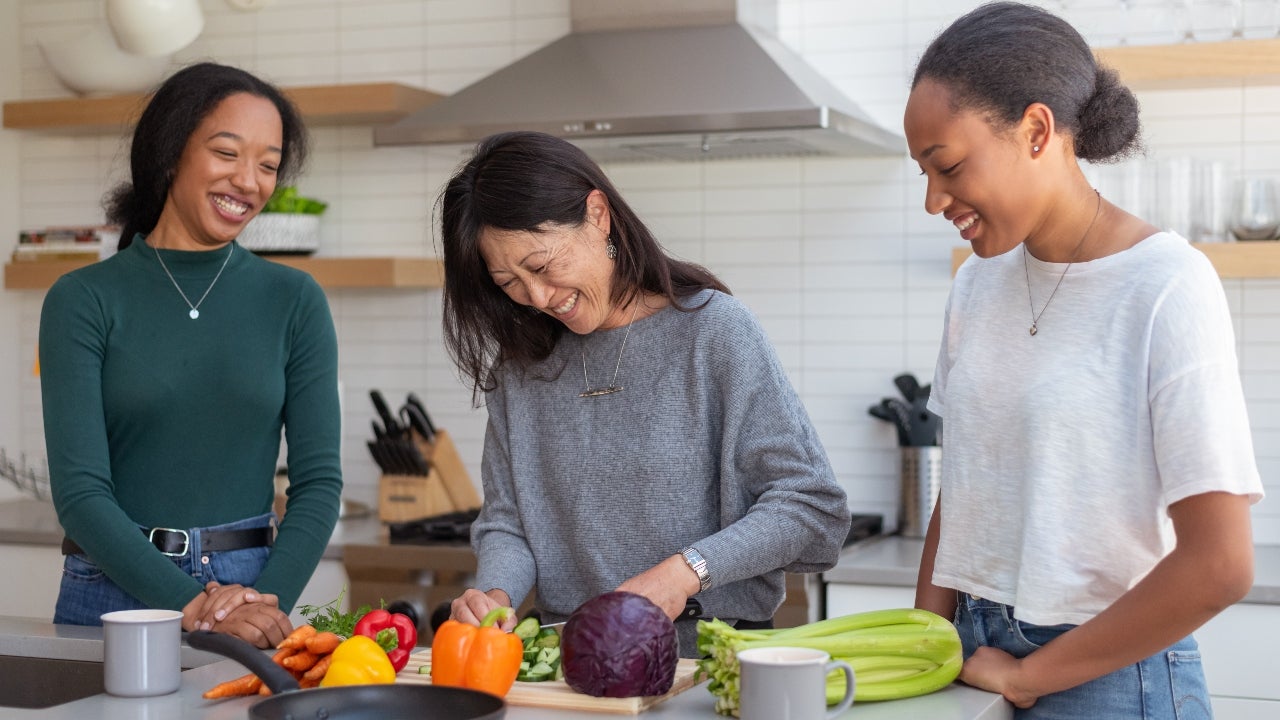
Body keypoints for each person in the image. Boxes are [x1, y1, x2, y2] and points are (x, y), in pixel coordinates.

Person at [904, 3, 1264, 717]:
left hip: (1110, 675)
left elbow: (1221, 564)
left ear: (1037, 131)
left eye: (946, 166)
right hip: (973, 655)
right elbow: (966, 486)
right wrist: (923, 642)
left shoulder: (1167, 284)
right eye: (922, 171)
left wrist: (1031, 678)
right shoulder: (977, 282)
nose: (932, 199)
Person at [438, 131, 851, 656]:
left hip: (707, 659)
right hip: (573, 663)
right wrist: (495, 592)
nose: (537, 297)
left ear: (597, 215)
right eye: (508, 282)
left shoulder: (714, 333)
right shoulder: (521, 367)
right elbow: (508, 522)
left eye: (542, 266)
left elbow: (811, 507)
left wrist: (685, 574)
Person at [39, 62, 342, 648]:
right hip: (111, 588)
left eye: (268, 165)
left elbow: (319, 482)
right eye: (227, 153)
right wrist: (197, 605)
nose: (249, 181)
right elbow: (80, 495)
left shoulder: (294, 300)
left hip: (254, 587)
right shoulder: (82, 300)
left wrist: (262, 604)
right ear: (172, 151)